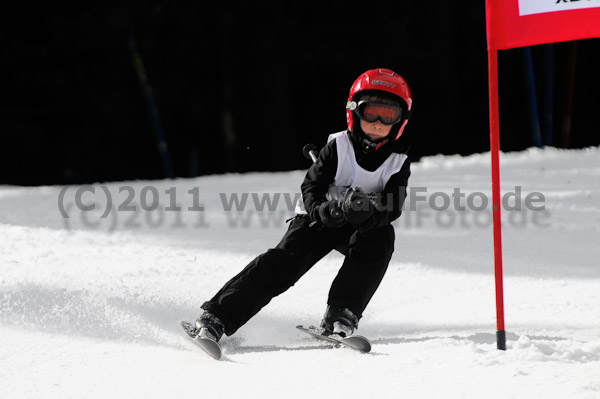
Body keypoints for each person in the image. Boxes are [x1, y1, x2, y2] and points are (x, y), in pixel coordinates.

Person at [195, 68, 413, 342]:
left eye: (389, 116)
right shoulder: (338, 147)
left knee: (380, 242)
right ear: (355, 113)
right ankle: (217, 316)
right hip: (318, 220)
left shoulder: (397, 162)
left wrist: (368, 215)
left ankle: (342, 313)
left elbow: (393, 205)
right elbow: (311, 187)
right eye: (371, 113)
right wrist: (323, 210)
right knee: (283, 263)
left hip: (360, 225)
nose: (379, 123)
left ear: (401, 120)